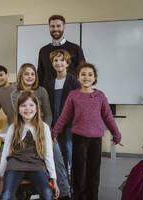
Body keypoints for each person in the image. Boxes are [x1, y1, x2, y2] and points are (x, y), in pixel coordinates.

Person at [52, 62, 122, 200]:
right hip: (79, 139)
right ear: (78, 77)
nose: (86, 77)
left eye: (90, 74)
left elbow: (108, 117)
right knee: (79, 171)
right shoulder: (73, 95)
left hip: (96, 140)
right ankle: (78, 196)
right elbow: (64, 116)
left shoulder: (100, 96)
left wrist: (116, 134)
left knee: (93, 171)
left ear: (94, 78)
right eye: (83, 74)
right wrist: (55, 132)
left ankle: (92, 197)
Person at [11, 63, 71, 198]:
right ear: (21, 75)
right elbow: (22, 115)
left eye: (32, 74)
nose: (30, 76)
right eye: (26, 73)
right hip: (24, 132)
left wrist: (45, 129)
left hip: (42, 129)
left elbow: (48, 114)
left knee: (56, 153)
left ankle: (64, 191)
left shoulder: (42, 91)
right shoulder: (15, 94)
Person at [0, 91, 59, 200]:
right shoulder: (13, 127)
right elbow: (5, 153)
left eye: (31, 105)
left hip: (36, 165)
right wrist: (1, 177)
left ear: (37, 108)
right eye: (23, 105)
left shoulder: (44, 127)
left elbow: (49, 155)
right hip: (15, 165)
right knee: (6, 195)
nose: (27, 109)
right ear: (18, 109)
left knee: (47, 193)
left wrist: (54, 179)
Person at [45, 49, 81, 178]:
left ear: (67, 63)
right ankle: (62, 179)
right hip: (56, 124)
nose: (59, 63)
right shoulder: (50, 84)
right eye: (56, 60)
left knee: (69, 151)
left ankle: (71, 179)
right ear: (52, 63)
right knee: (58, 153)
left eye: (62, 60)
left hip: (70, 125)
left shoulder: (74, 82)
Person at [38, 14, 85, 86]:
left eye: (58, 26)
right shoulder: (43, 51)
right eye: (52, 26)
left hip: (70, 92)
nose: (55, 29)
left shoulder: (75, 49)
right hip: (48, 93)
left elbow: (83, 72)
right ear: (49, 28)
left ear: (64, 27)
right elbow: (40, 75)